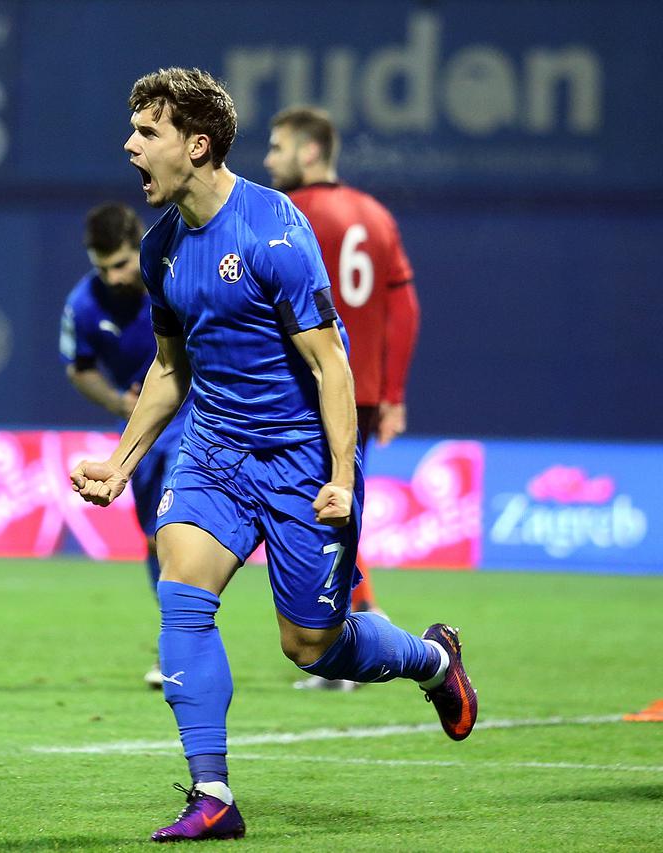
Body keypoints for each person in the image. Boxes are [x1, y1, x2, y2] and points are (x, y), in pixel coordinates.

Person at [68, 67, 476, 843]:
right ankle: (212, 793)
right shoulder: (160, 251)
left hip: (299, 459)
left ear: (196, 144)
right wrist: (121, 463)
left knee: (313, 647)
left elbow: (332, 366)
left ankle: (432, 659)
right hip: (215, 452)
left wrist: (342, 478)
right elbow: (169, 368)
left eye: (146, 132)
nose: (130, 145)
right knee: (181, 591)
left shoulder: (275, 230)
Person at [263, 106, 422, 691]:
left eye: (278, 148)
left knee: (316, 510)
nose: (269, 159)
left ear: (309, 152)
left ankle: (351, 636)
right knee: (339, 503)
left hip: (304, 388)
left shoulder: (288, 212)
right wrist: (394, 391)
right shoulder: (376, 215)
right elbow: (404, 307)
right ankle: (357, 622)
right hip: (364, 390)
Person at [60, 203, 192, 689]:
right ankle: (178, 641)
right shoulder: (83, 306)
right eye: (101, 267)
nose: (113, 277)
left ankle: (181, 645)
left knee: (176, 527)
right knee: (157, 537)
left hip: (199, 414)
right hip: (142, 427)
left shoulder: (175, 275)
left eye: (120, 263)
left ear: (138, 245)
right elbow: (79, 368)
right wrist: (120, 403)